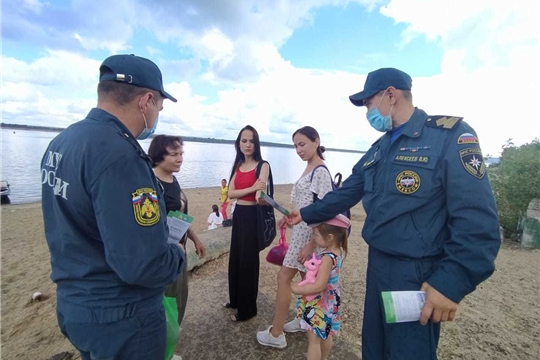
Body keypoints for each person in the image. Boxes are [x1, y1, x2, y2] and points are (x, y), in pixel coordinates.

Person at [287, 68, 501, 360]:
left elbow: (478, 221)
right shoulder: (380, 148)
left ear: (390, 94)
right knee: (375, 350)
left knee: (408, 351)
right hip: (378, 264)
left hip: (416, 273)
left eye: (368, 103)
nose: (368, 112)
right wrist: (307, 213)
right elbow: (346, 192)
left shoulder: (449, 137)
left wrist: (451, 282)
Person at [40, 54, 185, 360]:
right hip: (121, 318)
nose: (158, 112)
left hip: (74, 305)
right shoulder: (121, 155)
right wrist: (176, 256)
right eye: (159, 104)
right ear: (145, 101)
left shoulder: (63, 141)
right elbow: (142, 264)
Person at [257, 126, 334, 348]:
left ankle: (276, 333)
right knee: (306, 281)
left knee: (284, 278)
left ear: (316, 141)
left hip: (310, 238)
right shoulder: (310, 167)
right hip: (302, 232)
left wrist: (311, 244)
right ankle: (305, 320)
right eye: (295, 146)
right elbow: (306, 206)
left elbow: (326, 211)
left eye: (302, 144)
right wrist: (290, 218)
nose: (298, 150)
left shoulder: (319, 171)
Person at [148, 135, 206, 332]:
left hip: (178, 252)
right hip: (161, 258)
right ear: (158, 157)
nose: (180, 158)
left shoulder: (173, 179)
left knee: (179, 299)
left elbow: (178, 217)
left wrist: (195, 239)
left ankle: (169, 346)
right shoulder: (151, 185)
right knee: (164, 306)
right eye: (174, 154)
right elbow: (147, 226)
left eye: (181, 153)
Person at [223, 125, 269, 322]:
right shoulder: (239, 164)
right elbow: (230, 194)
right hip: (239, 214)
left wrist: (258, 193)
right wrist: (251, 187)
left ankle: (247, 309)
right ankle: (235, 300)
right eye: (244, 140)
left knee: (248, 262)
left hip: (252, 215)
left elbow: (259, 194)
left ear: (256, 143)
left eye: (251, 141)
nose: (248, 144)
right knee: (236, 259)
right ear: (239, 143)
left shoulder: (263, 165)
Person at [291, 214, 350, 360]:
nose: (314, 238)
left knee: (313, 340)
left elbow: (319, 286)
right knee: (326, 333)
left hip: (319, 304)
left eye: (316, 235)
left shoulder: (327, 258)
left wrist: (296, 288)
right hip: (331, 302)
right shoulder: (338, 253)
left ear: (330, 237)